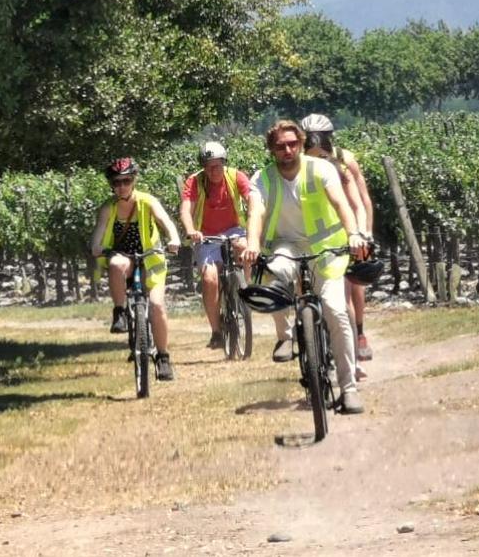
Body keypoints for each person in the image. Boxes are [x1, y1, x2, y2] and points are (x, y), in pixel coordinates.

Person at [242, 120, 370, 414]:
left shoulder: (321, 169)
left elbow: (341, 204)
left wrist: (353, 234)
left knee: (336, 312)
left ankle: (348, 389)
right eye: (280, 146)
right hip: (286, 246)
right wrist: (252, 244)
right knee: (274, 276)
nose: (287, 150)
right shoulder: (262, 178)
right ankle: (285, 337)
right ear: (271, 150)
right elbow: (256, 213)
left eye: (292, 144)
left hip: (326, 250)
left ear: (300, 143)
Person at [90, 157, 182, 381]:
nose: (122, 186)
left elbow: (166, 222)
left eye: (127, 181)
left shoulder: (147, 201)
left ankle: (163, 357)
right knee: (115, 264)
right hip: (124, 257)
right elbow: (98, 237)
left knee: (157, 306)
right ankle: (120, 311)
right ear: (111, 185)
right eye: (117, 182)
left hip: (151, 258)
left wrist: (174, 239)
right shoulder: (108, 208)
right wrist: (98, 248)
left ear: (134, 181)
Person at [301, 114, 376, 364]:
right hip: (319, 233)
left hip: (352, 228)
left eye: (321, 139)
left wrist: (366, 232)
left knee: (356, 281)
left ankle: (359, 333)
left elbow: (362, 200)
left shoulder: (345, 160)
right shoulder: (299, 164)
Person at [179, 141, 253, 351]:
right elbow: (186, 209)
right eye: (208, 166)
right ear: (203, 166)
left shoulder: (236, 176)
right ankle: (216, 331)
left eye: (217, 165)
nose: (213, 171)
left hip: (234, 230)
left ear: (224, 163)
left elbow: (251, 199)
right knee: (209, 279)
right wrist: (191, 230)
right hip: (206, 235)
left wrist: (255, 219)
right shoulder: (194, 182)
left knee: (245, 249)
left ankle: (243, 289)